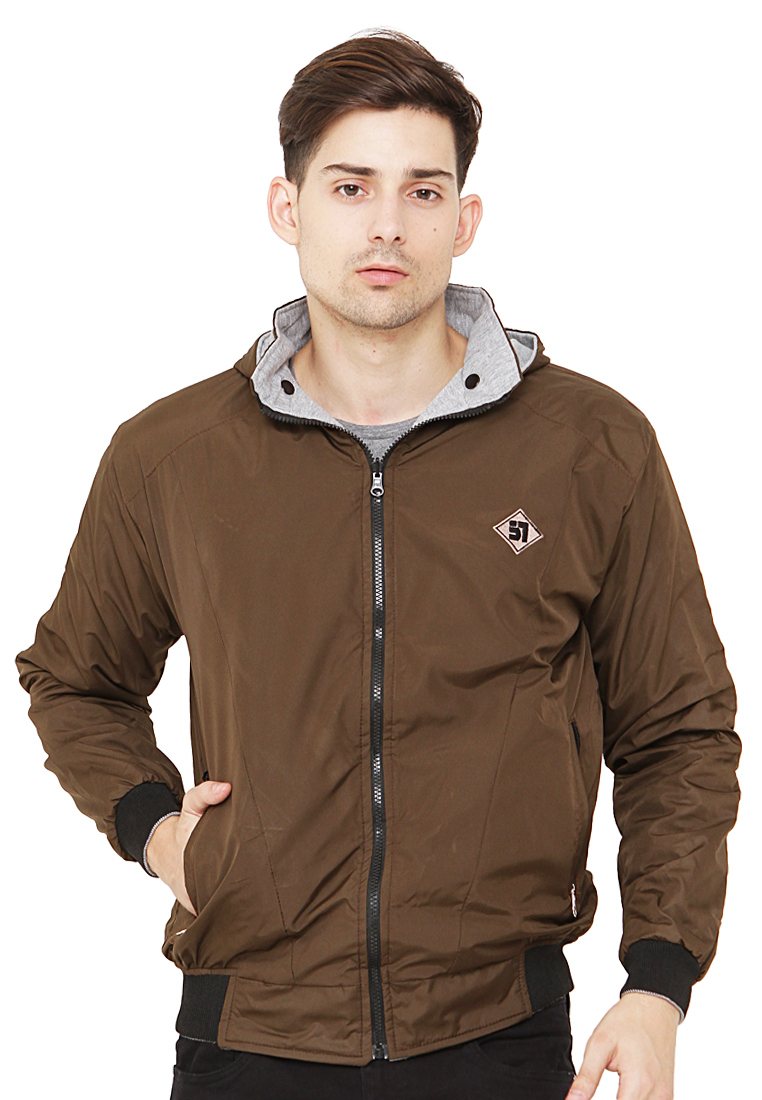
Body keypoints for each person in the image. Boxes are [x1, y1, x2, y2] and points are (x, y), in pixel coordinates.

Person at [16, 28, 741, 1100]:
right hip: (248, 1028)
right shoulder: (174, 457)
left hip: (499, 1030)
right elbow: (74, 677)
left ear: (465, 219)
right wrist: (156, 828)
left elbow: (677, 726)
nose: (388, 224)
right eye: (351, 187)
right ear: (288, 207)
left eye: (423, 191)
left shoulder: (591, 446)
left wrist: (658, 982)